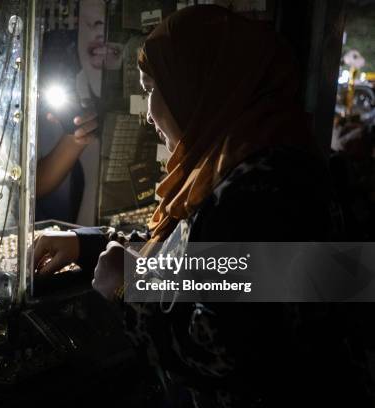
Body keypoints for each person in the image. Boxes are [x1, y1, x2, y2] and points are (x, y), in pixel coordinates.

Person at [34, 5, 372, 407]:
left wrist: (129, 289)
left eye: (152, 90)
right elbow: (215, 268)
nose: (149, 114)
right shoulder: (253, 163)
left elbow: (226, 348)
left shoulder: (263, 190)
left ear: (198, 85)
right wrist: (86, 245)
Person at [36, 0, 121, 224]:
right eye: (86, 23)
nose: (98, 26)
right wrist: (75, 138)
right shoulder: (47, 91)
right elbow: (30, 184)